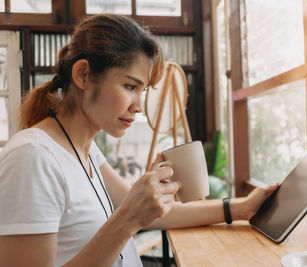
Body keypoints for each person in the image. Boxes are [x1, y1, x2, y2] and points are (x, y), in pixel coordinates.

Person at [0, 14, 279, 267]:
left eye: (142, 91)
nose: (138, 106)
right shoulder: (32, 157)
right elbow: (127, 215)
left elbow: (159, 214)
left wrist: (239, 208)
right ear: (83, 74)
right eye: (130, 86)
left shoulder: (86, 151)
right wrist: (127, 220)